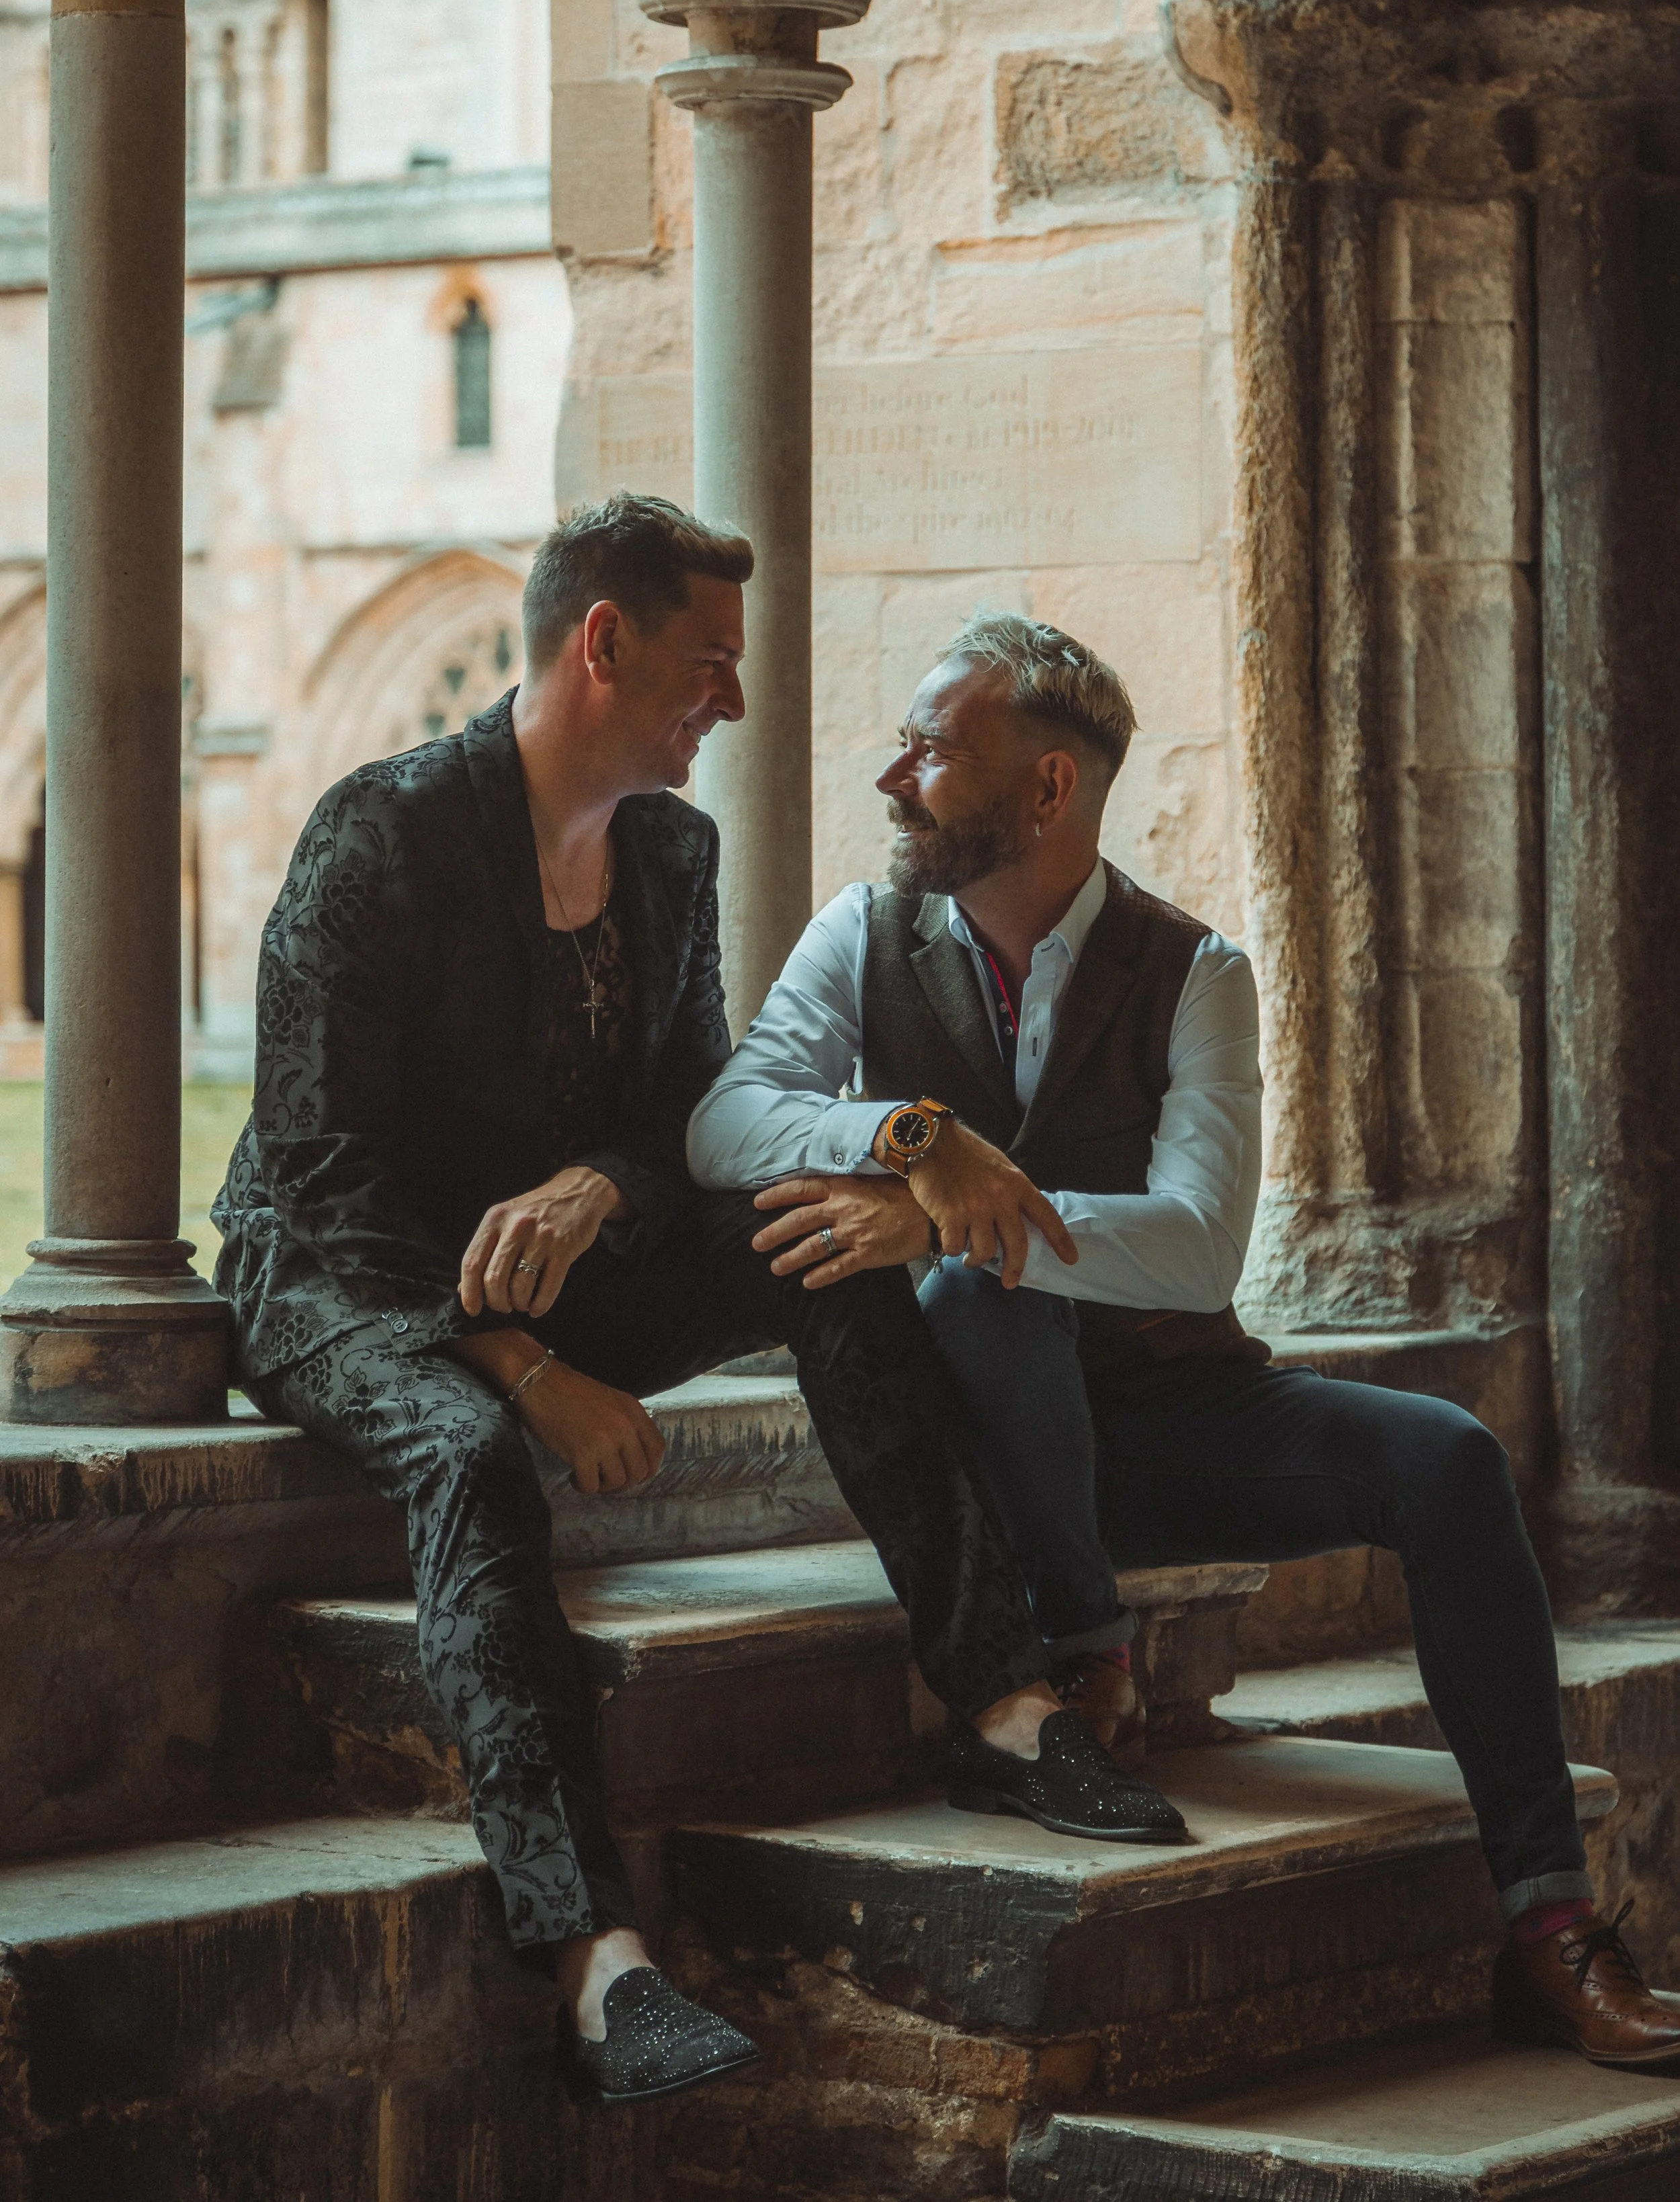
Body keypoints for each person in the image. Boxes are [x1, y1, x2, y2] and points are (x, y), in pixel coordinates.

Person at [213, 500, 1187, 2111]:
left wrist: (602, 1184)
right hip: (339, 1281)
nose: (731, 698)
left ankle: (1008, 1706)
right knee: (460, 1457)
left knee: (817, 1237)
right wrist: (529, 1375)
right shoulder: (378, 831)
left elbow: (688, 1123)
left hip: (556, 1260)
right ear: (603, 642)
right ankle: (597, 1959)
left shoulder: (671, 850)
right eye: (708, 662)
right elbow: (318, 1177)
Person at [687, 608, 1680, 2074]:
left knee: (1452, 1460)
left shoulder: (1194, 972)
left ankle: (1545, 1927)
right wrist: (911, 1141)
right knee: (978, 1292)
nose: (894, 779)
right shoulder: (859, 932)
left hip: (1171, 1426)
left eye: (932, 752)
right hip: (975, 1467)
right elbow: (725, 1120)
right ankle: (1083, 1657)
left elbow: (1200, 1239)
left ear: (1046, 790)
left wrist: (953, 1216)